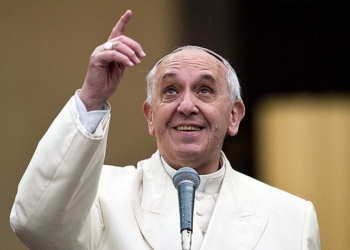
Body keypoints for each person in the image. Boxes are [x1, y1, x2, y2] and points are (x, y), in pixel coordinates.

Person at [10, 10, 320, 250]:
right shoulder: (99, 196)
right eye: (170, 91)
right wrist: (91, 96)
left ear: (234, 116)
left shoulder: (292, 217)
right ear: (150, 117)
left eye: (205, 90)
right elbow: (34, 225)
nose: (186, 105)